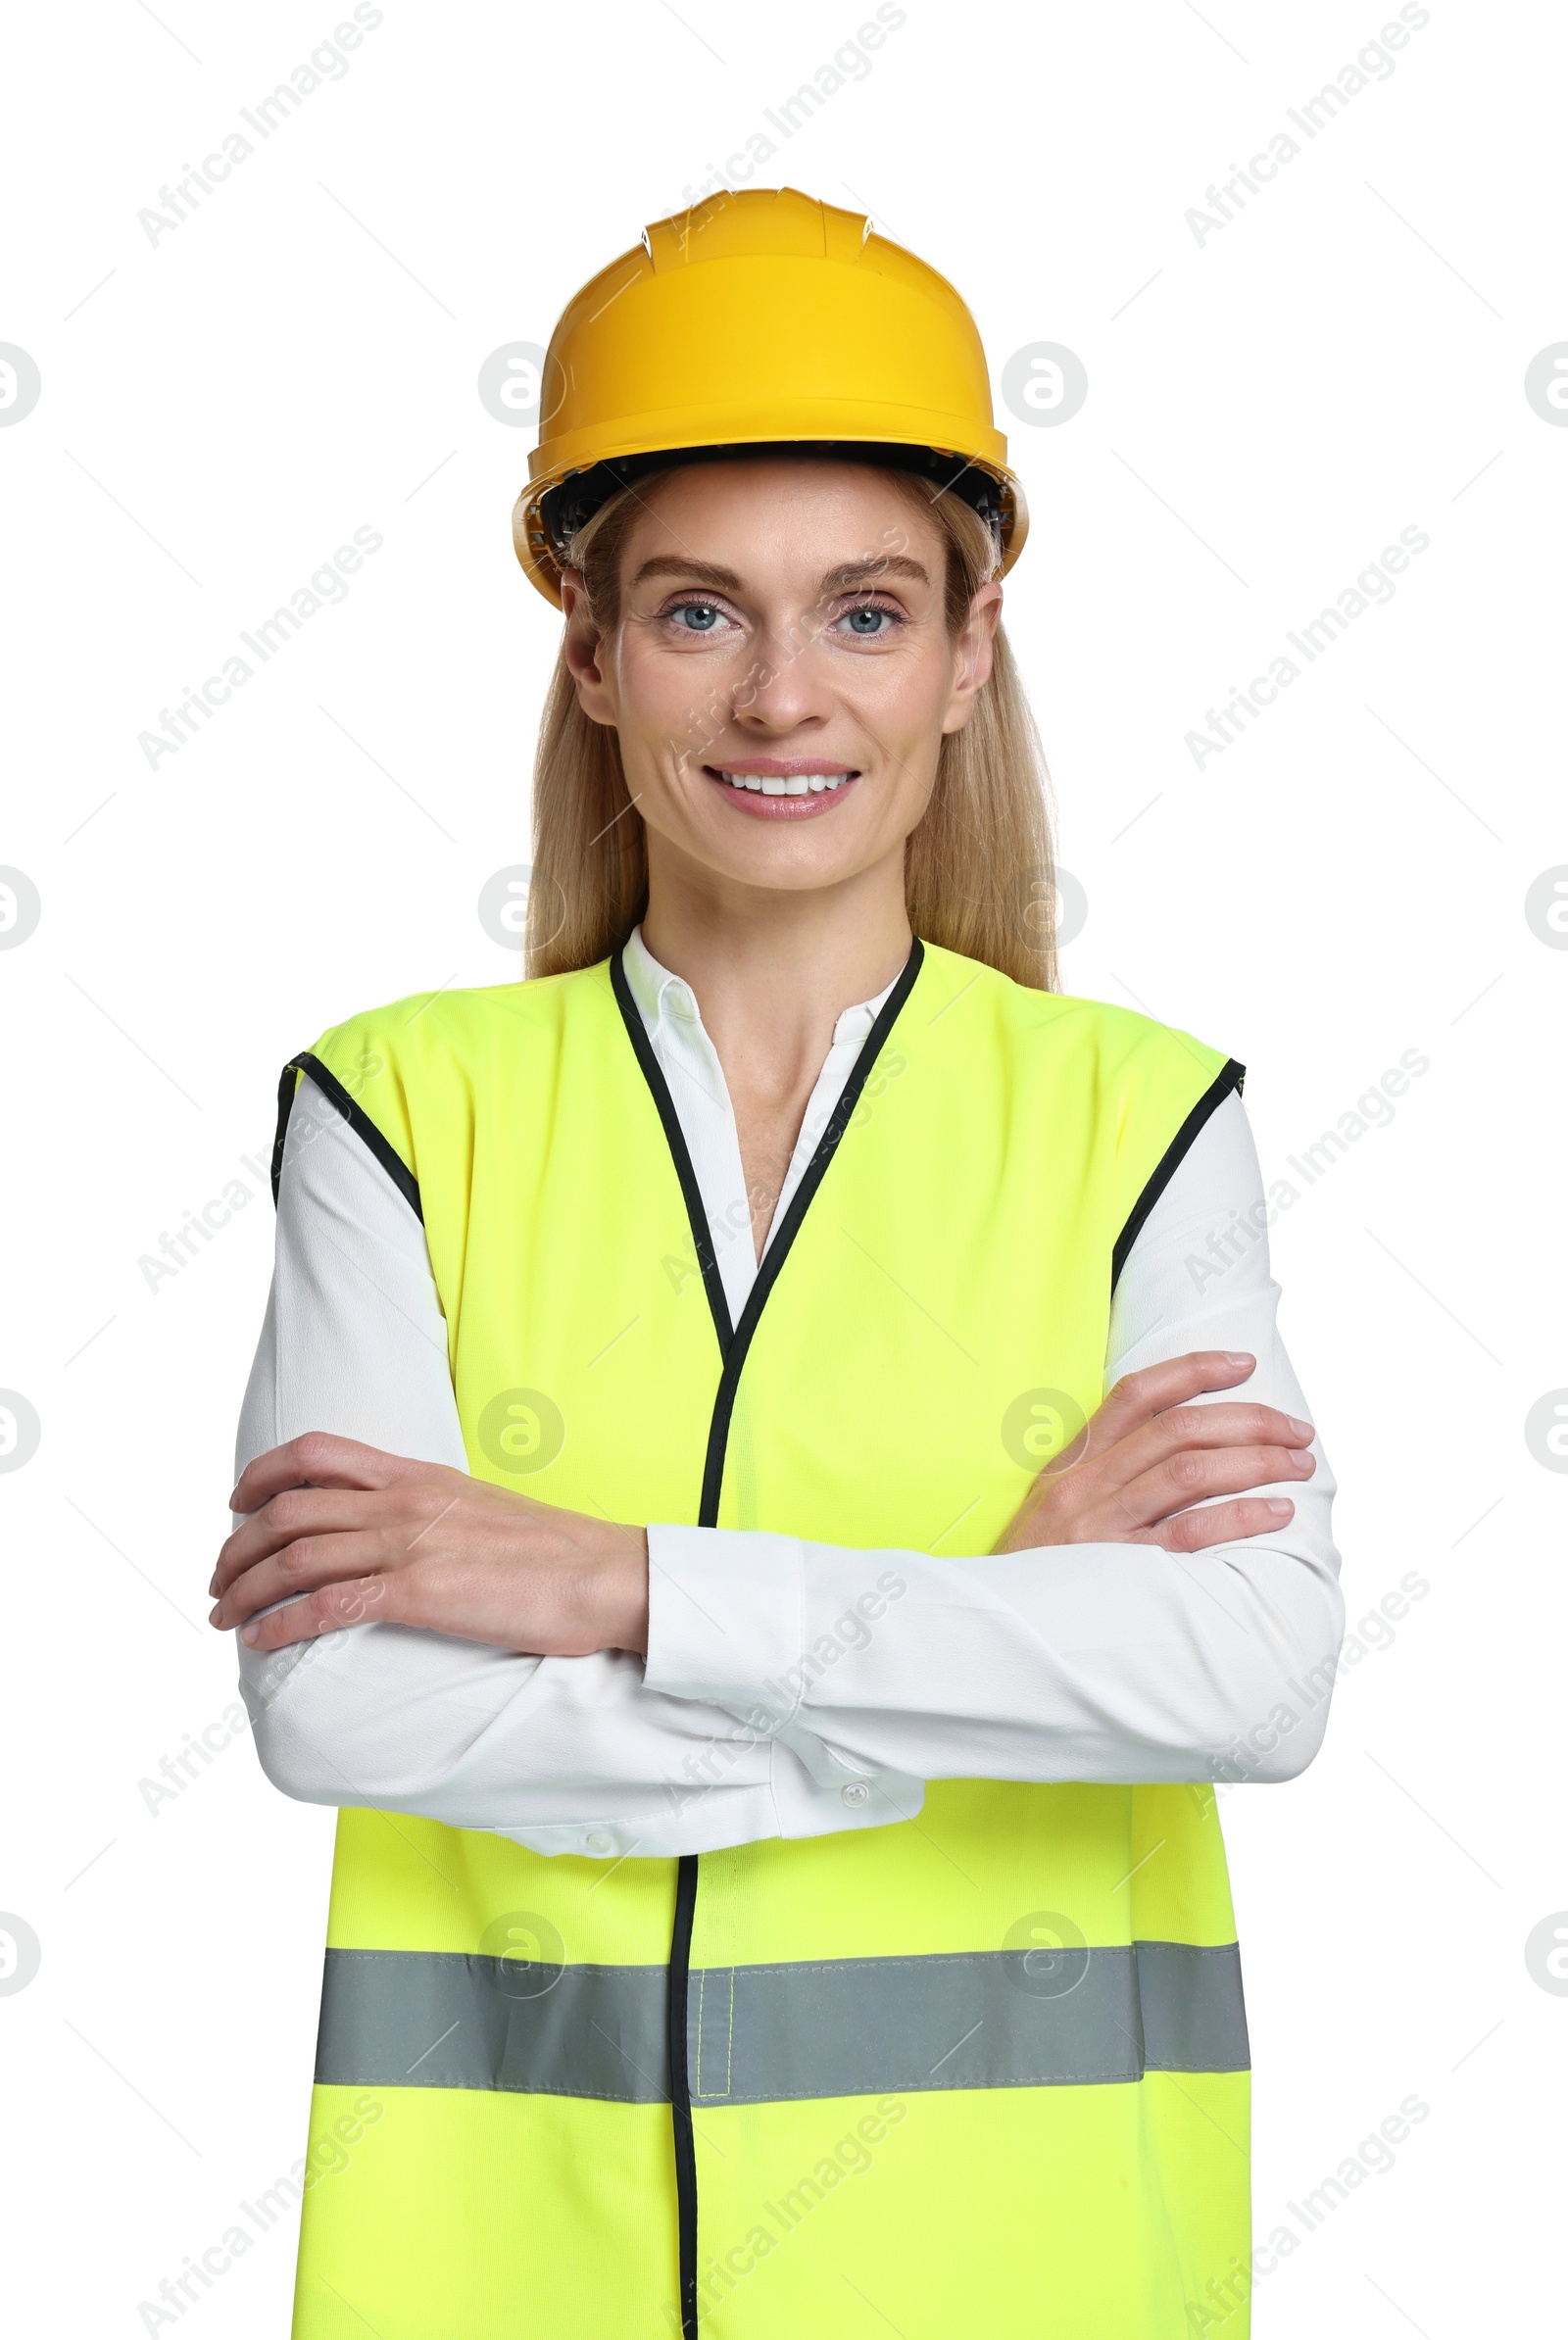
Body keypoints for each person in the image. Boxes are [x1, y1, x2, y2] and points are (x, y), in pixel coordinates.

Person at [212, 188, 1344, 2340]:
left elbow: (1249, 1680)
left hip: (1027, 2278)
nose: (780, 695)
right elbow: (337, 1698)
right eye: (699, 613)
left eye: (864, 611)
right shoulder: (393, 1112)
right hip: (502, 2272)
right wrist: (988, 1634)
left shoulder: (1135, 1119)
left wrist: (610, 1583)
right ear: (590, 646)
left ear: (966, 647)